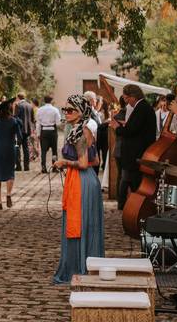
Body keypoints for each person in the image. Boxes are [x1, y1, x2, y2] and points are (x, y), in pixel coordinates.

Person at [53, 95, 105, 284]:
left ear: (81, 111)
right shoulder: (82, 129)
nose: (66, 113)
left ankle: (78, 267)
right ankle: (86, 264)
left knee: (80, 225)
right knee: (87, 224)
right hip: (88, 180)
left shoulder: (81, 132)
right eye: (64, 110)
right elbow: (96, 161)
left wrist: (64, 162)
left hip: (82, 181)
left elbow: (83, 164)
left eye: (71, 110)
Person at [110, 84, 156, 210]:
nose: (126, 101)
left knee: (135, 183)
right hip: (136, 154)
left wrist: (117, 128)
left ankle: (138, 208)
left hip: (137, 154)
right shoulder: (142, 107)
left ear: (133, 96)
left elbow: (132, 130)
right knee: (129, 181)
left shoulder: (141, 108)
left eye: (127, 98)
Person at [0, 98, 21, 209]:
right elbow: (20, 137)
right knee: (10, 173)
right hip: (10, 149)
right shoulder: (13, 121)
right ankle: (8, 194)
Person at [36, 95, 61, 173]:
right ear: (51, 101)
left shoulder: (40, 110)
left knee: (43, 150)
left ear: (44, 100)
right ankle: (55, 166)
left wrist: (38, 133)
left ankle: (43, 167)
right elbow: (58, 123)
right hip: (53, 131)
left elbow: (38, 123)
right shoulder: (55, 110)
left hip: (44, 131)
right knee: (54, 150)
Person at [14, 93, 34, 171]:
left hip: (19, 129)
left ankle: (18, 166)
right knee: (26, 148)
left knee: (17, 147)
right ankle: (27, 166)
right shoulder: (30, 106)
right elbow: (32, 119)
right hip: (27, 130)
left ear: (18, 97)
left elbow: (15, 117)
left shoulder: (18, 105)